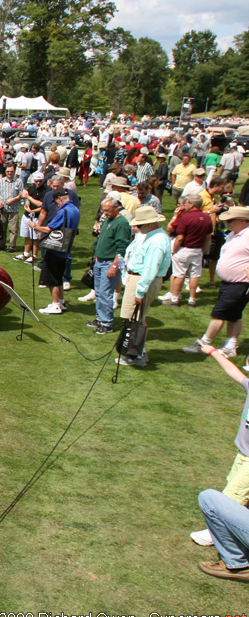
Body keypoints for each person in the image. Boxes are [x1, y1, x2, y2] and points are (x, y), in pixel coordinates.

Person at [185, 341, 249, 561]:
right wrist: (212, 352)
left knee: (232, 496)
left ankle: (218, 534)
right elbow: (234, 372)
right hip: (243, 452)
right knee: (234, 485)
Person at [182, 206, 249, 358]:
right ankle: (230, 346)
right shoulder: (234, 234)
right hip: (229, 283)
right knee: (234, 315)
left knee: (218, 314)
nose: (227, 223)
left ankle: (203, 344)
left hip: (240, 284)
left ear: (244, 221)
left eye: (231, 220)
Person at [115, 206, 172, 366]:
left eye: (139, 225)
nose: (137, 228)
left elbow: (151, 268)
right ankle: (137, 352)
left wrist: (140, 291)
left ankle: (137, 354)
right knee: (136, 318)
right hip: (138, 278)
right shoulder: (153, 236)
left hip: (142, 280)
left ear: (149, 223)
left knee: (137, 319)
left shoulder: (157, 240)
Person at [33, 189, 80, 315]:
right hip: (66, 248)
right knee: (59, 277)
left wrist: (35, 226)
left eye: (56, 202)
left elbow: (49, 229)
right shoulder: (75, 210)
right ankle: (61, 301)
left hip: (55, 248)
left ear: (59, 198)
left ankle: (55, 305)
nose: (56, 204)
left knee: (51, 279)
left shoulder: (63, 211)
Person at [88, 198, 131, 334]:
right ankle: (100, 318)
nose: (105, 213)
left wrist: (114, 265)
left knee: (106, 293)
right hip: (100, 261)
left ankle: (107, 323)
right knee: (99, 292)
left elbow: (122, 247)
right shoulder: (108, 220)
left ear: (116, 207)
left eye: (108, 210)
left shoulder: (122, 223)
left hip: (109, 263)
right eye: (103, 210)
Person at [163, 194, 213, 307]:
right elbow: (208, 237)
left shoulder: (186, 217)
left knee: (179, 274)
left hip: (184, 249)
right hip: (197, 250)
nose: (185, 205)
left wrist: (174, 250)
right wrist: (202, 251)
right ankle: (192, 298)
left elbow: (180, 237)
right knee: (194, 275)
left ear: (192, 204)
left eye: (187, 203)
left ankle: (175, 298)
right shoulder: (206, 217)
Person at [0, 164, 25, 252]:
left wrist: (13, 199)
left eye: (11, 172)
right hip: (3, 209)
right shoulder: (1, 181)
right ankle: (1, 245)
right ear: (5, 172)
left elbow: (22, 194)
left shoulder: (18, 181)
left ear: (14, 172)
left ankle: (12, 246)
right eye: (8, 171)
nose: (10, 173)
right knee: (1, 228)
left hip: (14, 209)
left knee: (13, 229)